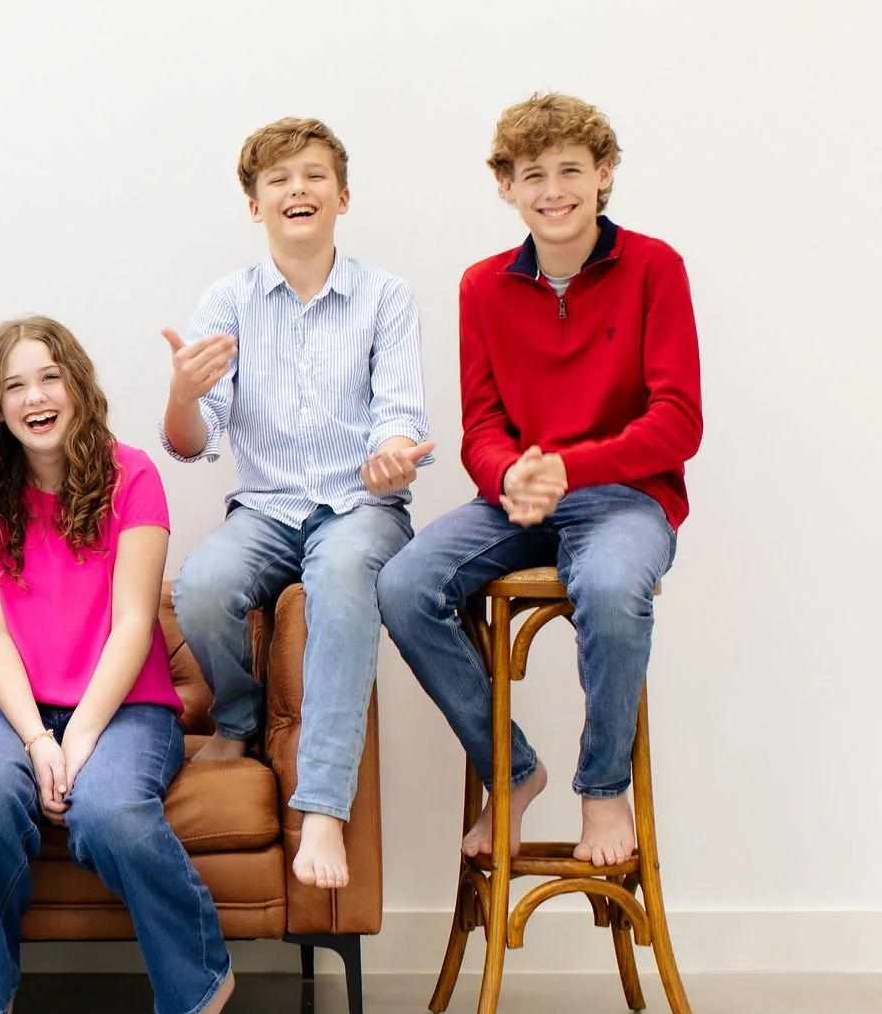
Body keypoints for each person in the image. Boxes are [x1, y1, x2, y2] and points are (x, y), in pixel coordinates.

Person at [379, 93, 701, 867]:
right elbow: (483, 426)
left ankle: (604, 788)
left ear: (605, 173)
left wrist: (569, 467)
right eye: (533, 175)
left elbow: (678, 421)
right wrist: (509, 475)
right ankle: (512, 770)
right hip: (517, 498)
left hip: (627, 496)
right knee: (403, 584)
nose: (553, 190)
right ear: (507, 186)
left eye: (570, 170)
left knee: (612, 588)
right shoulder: (482, 286)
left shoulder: (654, 266)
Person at [0, 316, 235, 1014]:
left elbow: (134, 622)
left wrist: (77, 736)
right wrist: (37, 739)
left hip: (125, 704)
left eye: (49, 378)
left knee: (108, 812)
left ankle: (201, 980)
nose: (35, 398)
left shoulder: (133, 475)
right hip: (8, 706)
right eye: (15, 386)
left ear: (76, 385)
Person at [161, 119, 432, 890]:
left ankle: (322, 807)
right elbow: (190, 442)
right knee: (202, 585)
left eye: (314, 175)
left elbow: (399, 416)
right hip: (266, 508)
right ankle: (239, 719)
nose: (297, 189)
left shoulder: (387, 297)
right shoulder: (228, 300)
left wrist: (390, 455)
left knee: (342, 580)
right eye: (278, 180)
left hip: (361, 506)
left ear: (342, 197)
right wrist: (182, 392)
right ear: (256, 206)